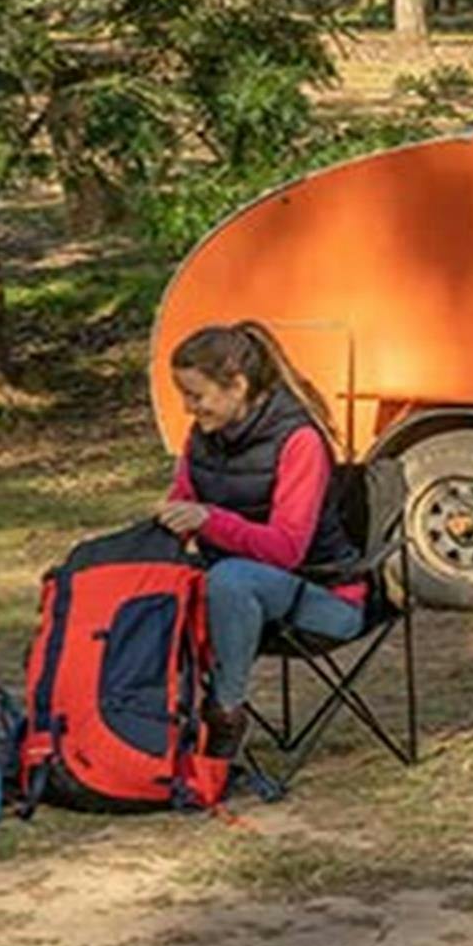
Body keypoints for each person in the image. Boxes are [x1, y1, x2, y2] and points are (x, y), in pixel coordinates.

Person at [157, 321, 362, 759]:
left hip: (327, 598)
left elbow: (287, 549)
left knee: (230, 580)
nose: (188, 408)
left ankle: (225, 711)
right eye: (183, 395)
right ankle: (149, 716)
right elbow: (182, 505)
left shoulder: (299, 440)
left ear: (238, 386)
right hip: (242, 597)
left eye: (196, 394)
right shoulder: (202, 438)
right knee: (158, 581)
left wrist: (209, 520)